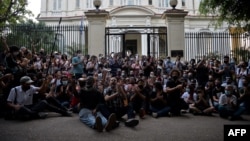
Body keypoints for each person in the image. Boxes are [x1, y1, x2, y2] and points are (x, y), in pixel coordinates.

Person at [6, 75, 71, 120]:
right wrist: (14, 106)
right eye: (27, 84)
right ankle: (36, 115)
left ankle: (63, 112)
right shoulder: (14, 90)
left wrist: (45, 82)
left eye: (30, 83)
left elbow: (40, 89)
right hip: (21, 108)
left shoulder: (31, 87)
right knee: (23, 112)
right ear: (22, 84)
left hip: (31, 107)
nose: (29, 85)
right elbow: (8, 103)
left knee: (44, 102)